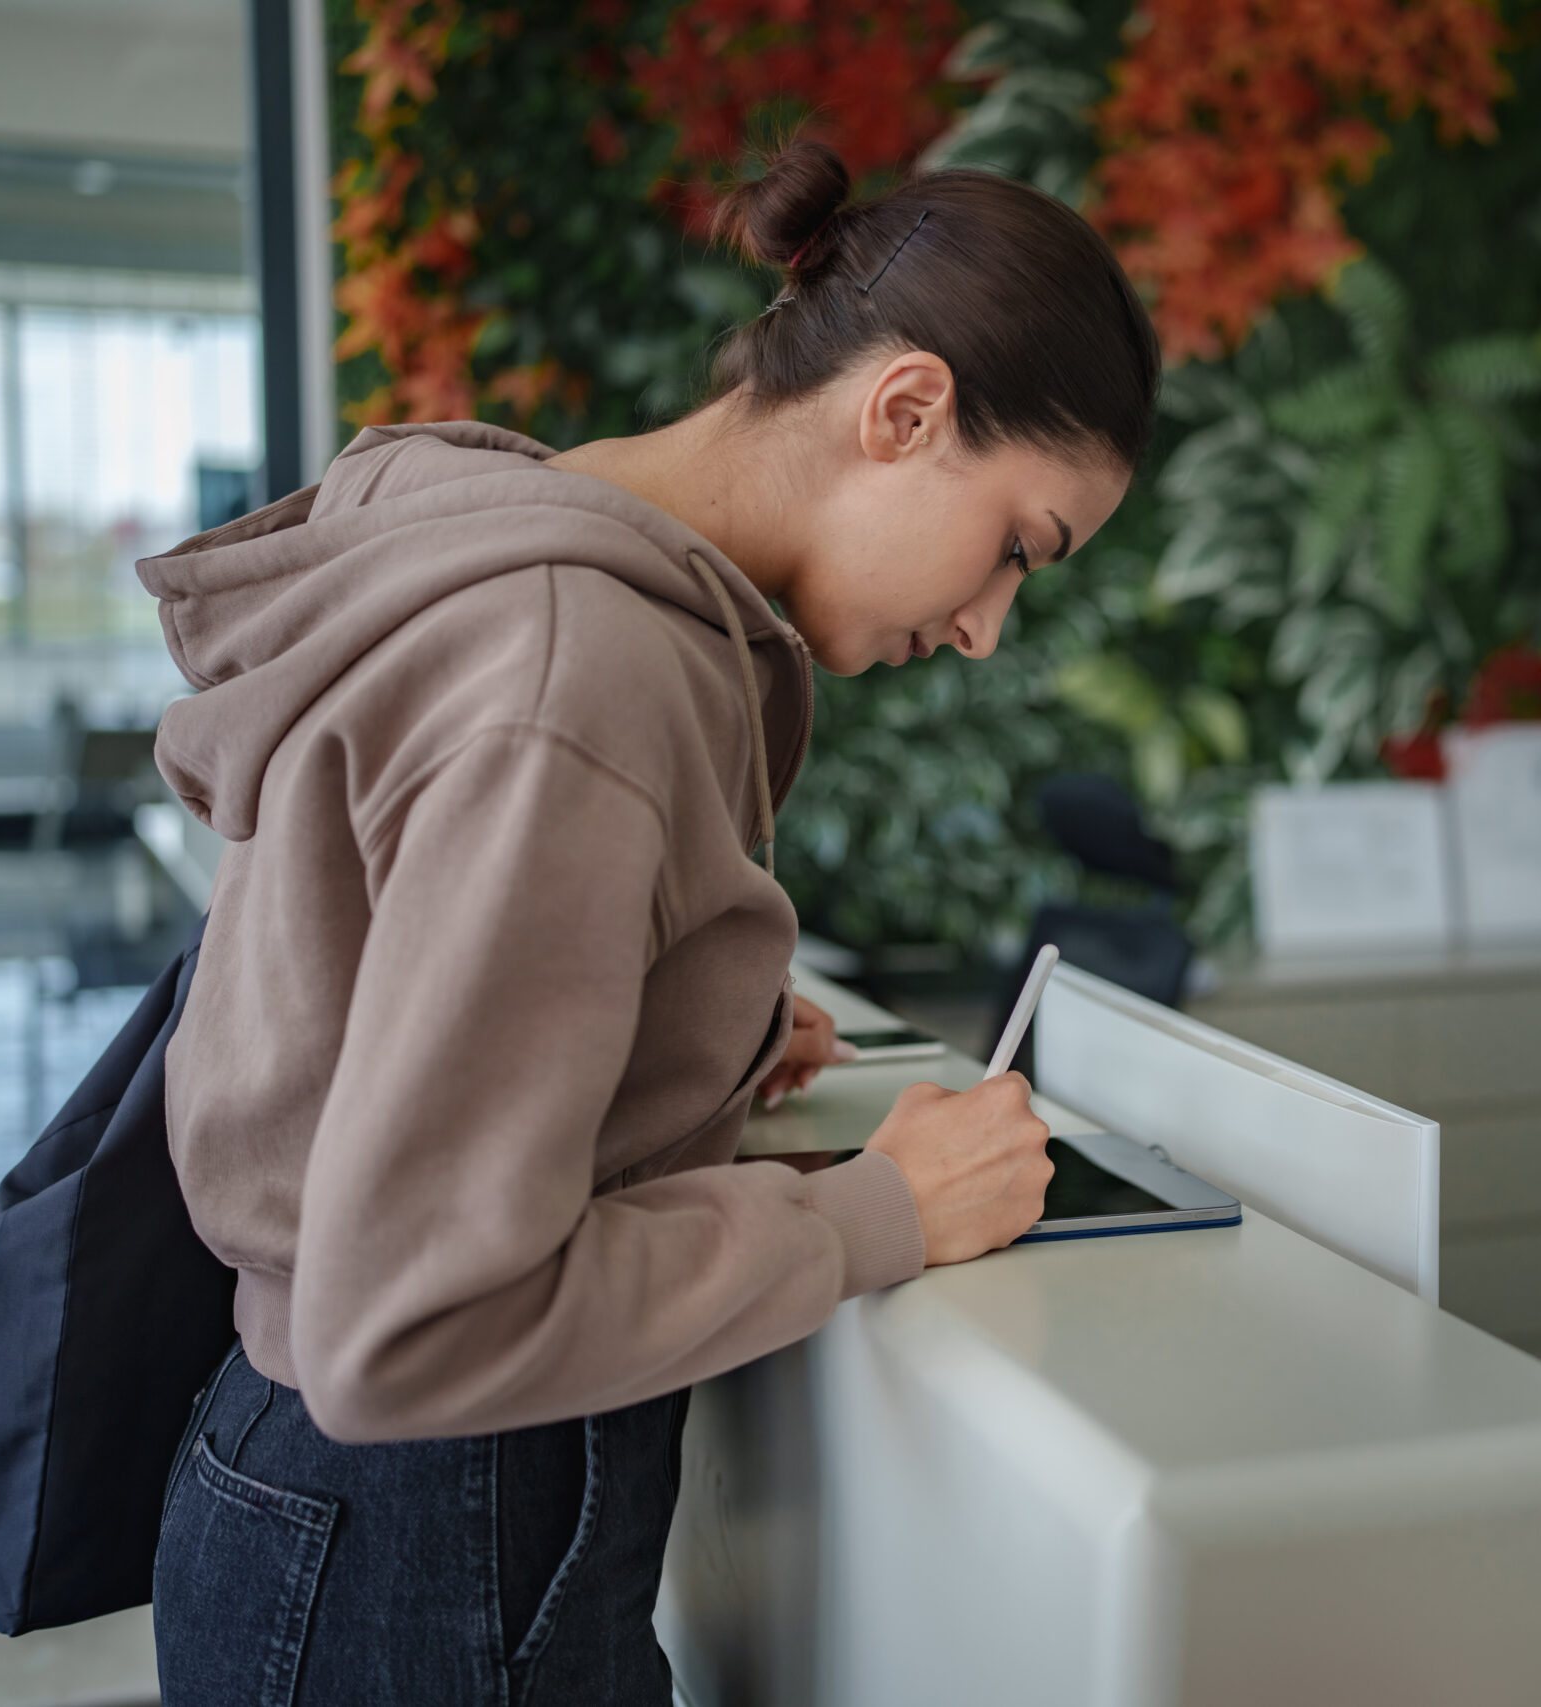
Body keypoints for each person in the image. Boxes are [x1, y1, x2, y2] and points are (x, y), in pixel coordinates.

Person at [144, 141, 1159, 1704]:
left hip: (340, 1513)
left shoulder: (518, 541)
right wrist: (878, 1211)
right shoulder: (581, 663)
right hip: (423, 1541)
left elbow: (373, 991)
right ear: (904, 409)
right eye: (1018, 546)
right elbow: (411, 1321)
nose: (982, 629)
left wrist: (673, 1034)